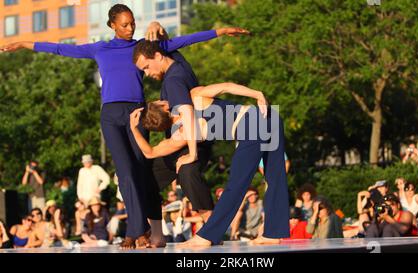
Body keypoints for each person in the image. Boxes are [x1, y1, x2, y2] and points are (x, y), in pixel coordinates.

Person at [1, 3, 249, 250]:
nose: (130, 28)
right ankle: (137, 231)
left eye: (132, 23)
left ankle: (145, 233)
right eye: (124, 25)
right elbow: (60, 48)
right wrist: (24, 44)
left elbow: (184, 41)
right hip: (110, 115)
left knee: (142, 170)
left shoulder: (141, 49)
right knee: (125, 173)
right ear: (112, 25)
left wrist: (220, 31)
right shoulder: (100, 49)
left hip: (136, 114)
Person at [128, 77, 290, 247]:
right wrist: (257, 94)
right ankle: (273, 233)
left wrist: (133, 129)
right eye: (160, 101)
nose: (163, 99)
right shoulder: (192, 99)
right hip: (269, 117)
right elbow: (226, 86)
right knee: (274, 178)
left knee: (237, 184)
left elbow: (150, 151)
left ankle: (207, 235)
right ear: (164, 107)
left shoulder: (181, 134)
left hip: (253, 124)